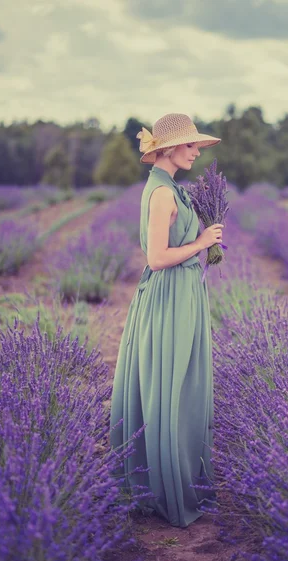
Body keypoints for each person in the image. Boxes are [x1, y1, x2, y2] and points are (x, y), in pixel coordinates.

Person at [110, 113, 224, 528]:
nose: (196, 151)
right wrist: (201, 242)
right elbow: (156, 260)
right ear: (170, 149)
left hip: (184, 293)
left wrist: (204, 239)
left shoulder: (171, 188)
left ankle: (172, 478)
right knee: (172, 388)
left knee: (181, 386)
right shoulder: (161, 194)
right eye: (192, 145)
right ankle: (164, 489)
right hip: (169, 295)